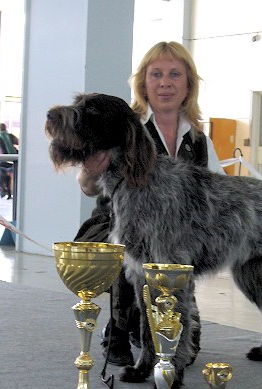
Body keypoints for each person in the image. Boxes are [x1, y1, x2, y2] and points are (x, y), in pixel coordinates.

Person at [75, 41, 226, 366]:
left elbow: (222, 193)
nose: (165, 82)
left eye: (175, 74)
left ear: (188, 85)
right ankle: (118, 328)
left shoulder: (199, 141)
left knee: (186, 349)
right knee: (132, 244)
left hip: (174, 238)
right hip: (114, 226)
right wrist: (92, 171)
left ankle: (148, 324)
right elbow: (88, 187)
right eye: (156, 74)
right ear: (143, 82)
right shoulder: (123, 128)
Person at [0, 123, 19, 199]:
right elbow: (19, 142)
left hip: (4, 159)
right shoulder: (11, 136)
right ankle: (13, 191)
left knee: (2, 176)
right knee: (12, 176)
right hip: (13, 159)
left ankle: (3, 192)